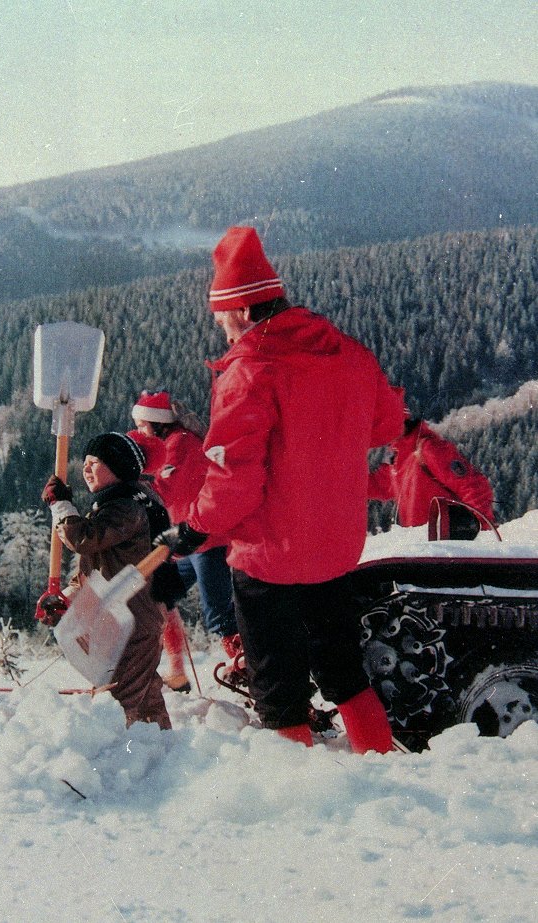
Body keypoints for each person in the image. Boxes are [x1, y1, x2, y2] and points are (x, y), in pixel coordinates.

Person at [155, 225, 406, 751]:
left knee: (278, 689)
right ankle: (382, 770)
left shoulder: (248, 372)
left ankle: (294, 802)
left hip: (270, 558)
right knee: (344, 674)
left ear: (243, 310)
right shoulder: (349, 354)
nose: (223, 332)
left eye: (222, 319)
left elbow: (234, 484)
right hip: (335, 549)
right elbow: (386, 427)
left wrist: (195, 528)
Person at [38, 431, 171, 730]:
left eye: (95, 462)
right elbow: (97, 567)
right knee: (144, 691)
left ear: (119, 467)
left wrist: (61, 507)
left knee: (123, 695)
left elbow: (84, 539)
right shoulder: (118, 505)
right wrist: (70, 596)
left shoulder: (127, 508)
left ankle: (128, 756)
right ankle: (161, 748)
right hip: (130, 616)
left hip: (134, 619)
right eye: (84, 462)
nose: (85, 469)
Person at [128, 389, 239, 656]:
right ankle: (174, 671)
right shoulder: (173, 442)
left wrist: (130, 487)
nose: (140, 431)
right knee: (161, 596)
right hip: (187, 541)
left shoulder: (180, 443)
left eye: (143, 425)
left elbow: (166, 489)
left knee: (218, 612)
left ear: (158, 422)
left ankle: (245, 663)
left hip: (206, 540)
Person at [368, 416, 496, 536]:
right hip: (426, 550)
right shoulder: (398, 462)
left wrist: (480, 532)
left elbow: (474, 486)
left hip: (448, 548)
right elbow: (373, 485)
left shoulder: (429, 449)